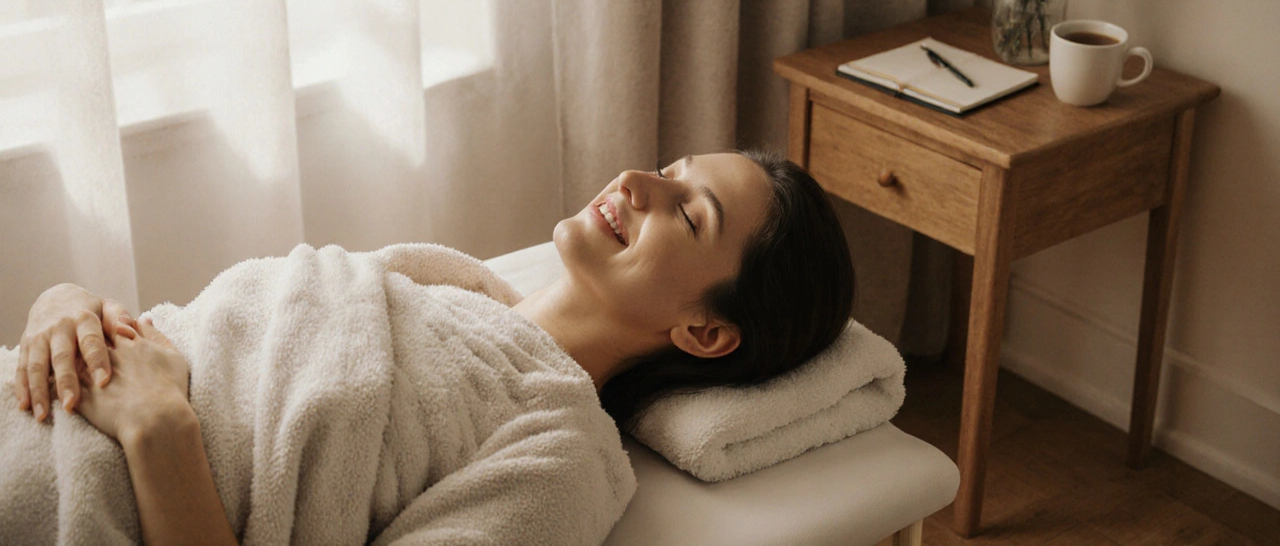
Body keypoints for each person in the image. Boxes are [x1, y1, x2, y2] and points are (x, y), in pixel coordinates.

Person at [6, 149, 854, 544]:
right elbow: (190, 333)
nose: (638, 183)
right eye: (672, 166)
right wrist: (62, 304)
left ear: (705, 332)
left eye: (688, 211)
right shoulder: (437, 276)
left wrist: (160, 430)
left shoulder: (560, 459)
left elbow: (172, 400)